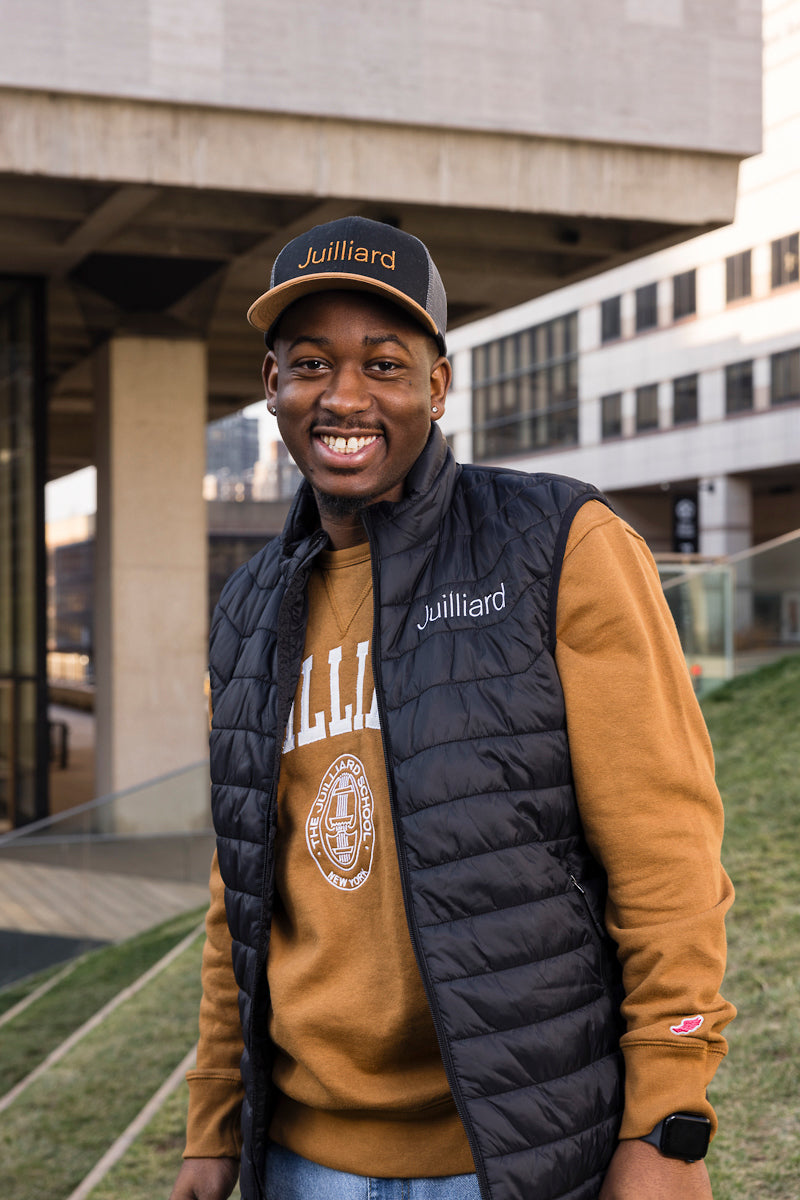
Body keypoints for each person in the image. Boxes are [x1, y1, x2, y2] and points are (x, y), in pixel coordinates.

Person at [170, 216, 734, 1200]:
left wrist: (668, 1120)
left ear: (435, 386)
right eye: (310, 363)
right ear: (272, 387)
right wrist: (213, 1125)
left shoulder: (559, 545)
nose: (343, 396)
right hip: (301, 1161)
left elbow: (668, 862)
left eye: (382, 364)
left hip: (508, 1154)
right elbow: (241, 898)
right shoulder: (249, 607)